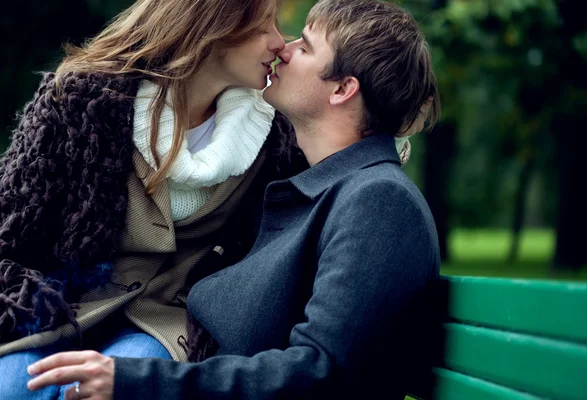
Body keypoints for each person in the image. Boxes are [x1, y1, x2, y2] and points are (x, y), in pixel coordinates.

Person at [25, 0, 441, 399]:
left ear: (343, 89)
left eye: (307, 46)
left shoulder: (378, 202)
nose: (285, 48)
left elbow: (322, 372)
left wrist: (140, 382)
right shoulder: (321, 188)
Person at [0, 0, 308, 398]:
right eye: (264, 27)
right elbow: (9, 226)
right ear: (214, 27)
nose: (278, 44)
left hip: (167, 324)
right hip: (59, 306)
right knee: (13, 388)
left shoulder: (275, 137)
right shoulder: (81, 99)